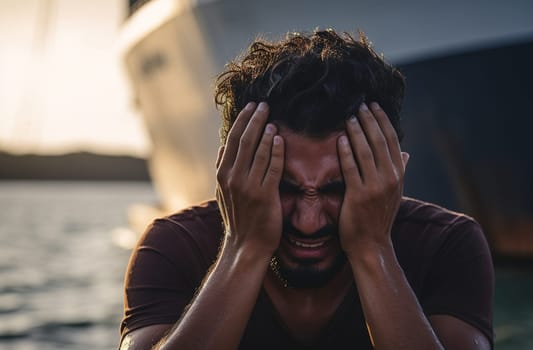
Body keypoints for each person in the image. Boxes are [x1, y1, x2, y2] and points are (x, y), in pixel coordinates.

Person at [119, 29, 494, 350]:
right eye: (283, 187)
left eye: (336, 188)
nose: (309, 221)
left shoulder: (448, 244)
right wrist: (243, 248)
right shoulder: (173, 245)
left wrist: (371, 249)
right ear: (231, 171)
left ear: (391, 174)